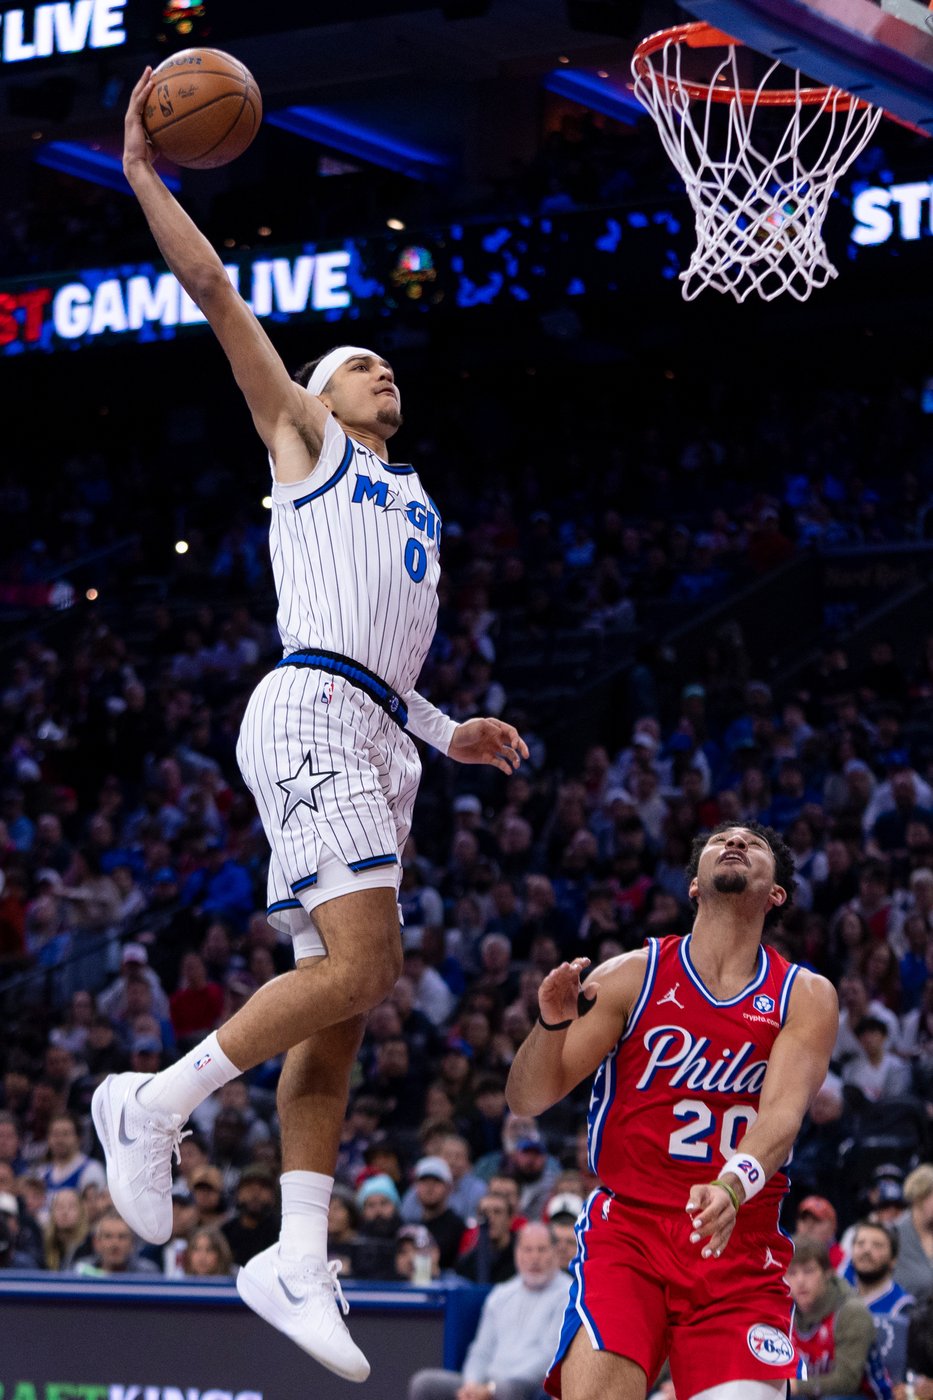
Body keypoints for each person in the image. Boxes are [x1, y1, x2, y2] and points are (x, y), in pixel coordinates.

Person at [92, 68, 528, 1386]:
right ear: (320, 398)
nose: (376, 371)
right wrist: (144, 178)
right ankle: (149, 1104)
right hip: (308, 712)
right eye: (357, 365)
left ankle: (295, 1248)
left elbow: (393, 664)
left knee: (341, 1011)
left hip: (380, 732)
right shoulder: (301, 440)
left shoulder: (419, 509)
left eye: (383, 365)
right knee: (359, 968)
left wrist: (452, 733)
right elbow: (221, 295)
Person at [506, 821, 839, 1400]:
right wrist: (550, 1026)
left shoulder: (804, 995)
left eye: (753, 844)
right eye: (721, 840)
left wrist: (732, 1187)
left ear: (776, 893)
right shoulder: (632, 976)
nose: (734, 843)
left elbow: (782, 1118)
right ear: (693, 886)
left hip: (737, 1238)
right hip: (629, 1231)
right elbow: (527, 1098)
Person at [409, 1222, 571, 1400]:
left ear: (555, 1252)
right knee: (424, 1384)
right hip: (486, 1382)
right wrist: (472, 1385)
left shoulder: (568, 1294)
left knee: (506, 1391)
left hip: (526, 1386)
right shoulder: (501, 1294)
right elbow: (481, 1350)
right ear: (517, 1253)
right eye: (527, 1249)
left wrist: (491, 1390)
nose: (534, 1257)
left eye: (541, 1250)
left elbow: (550, 1357)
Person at [787, 1236, 893, 1398]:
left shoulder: (851, 1312)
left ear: (828, 1273)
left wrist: (795, 1386)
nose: (800, 1281)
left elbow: (848, 1381)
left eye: (809, 1271)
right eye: (792, 1273)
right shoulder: (784, 1311)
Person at [842, 1220, 915, 1318]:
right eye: (860, 1243)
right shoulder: (837, 1294)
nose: (866, 1250)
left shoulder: (902, 1306)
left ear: (893, 1259)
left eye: (877, 1245)